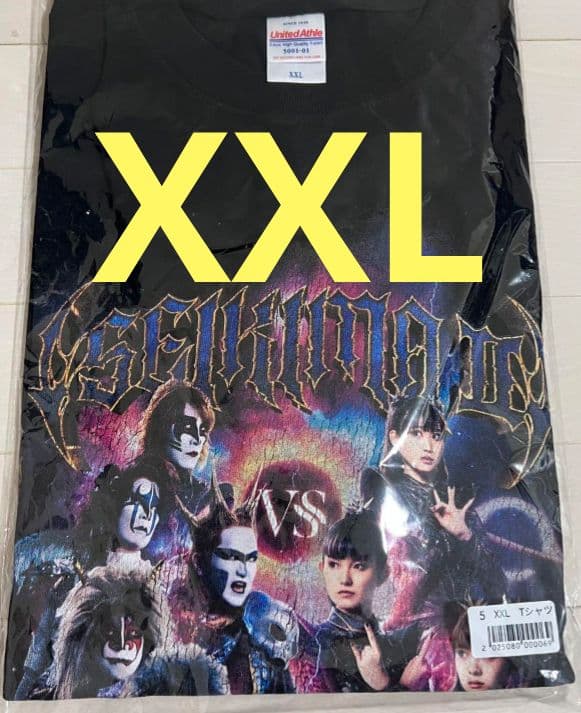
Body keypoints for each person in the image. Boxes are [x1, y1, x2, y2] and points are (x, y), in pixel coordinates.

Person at [13, 457, 171, 699]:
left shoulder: (156, 584)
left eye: (153, 508)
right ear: (114, 504)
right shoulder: (73, 558)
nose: (145, 515)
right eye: (136, 502)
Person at [144, 473, 299, 695]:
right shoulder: (165, 620)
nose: (243, 570)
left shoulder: (263, 629)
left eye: (251, 558)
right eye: (231, 557)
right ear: (199, 562)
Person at [360, 396, 505, 628]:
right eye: (416, 433)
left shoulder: (456, 503)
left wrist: (464, 535)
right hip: (402, 629)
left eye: (436, 436)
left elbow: (497, 585)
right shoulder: (381, 493)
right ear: (395, 437)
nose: (429, 446)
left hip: (459, 629)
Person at [309, 507, 419, 693]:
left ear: (383, 573)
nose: (345, 579)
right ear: (322, 569)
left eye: (359, 566)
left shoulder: (399, 644)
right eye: (334, 565)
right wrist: (386, 686)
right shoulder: (314, 643)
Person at [29, 572, 155, 698]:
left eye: (133, 632)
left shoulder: (151, 690)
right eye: (110, 631)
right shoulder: (44, 693)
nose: (123, 644)